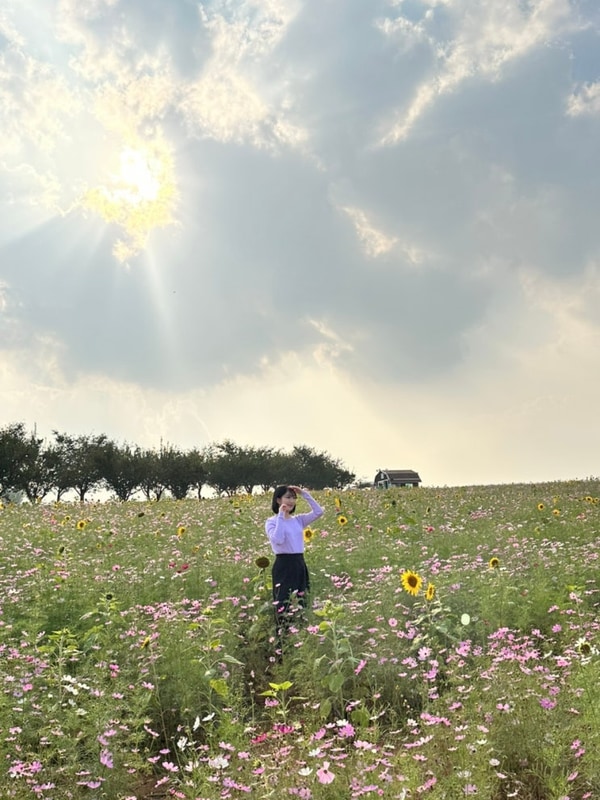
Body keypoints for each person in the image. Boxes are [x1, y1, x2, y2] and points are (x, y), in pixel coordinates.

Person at [265, 485, 324, 644]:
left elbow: (319, 512)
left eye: (293, 497)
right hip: (283, 564)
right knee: (283, 603)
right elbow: (278, 539)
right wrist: (281, 516)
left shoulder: (298, 520)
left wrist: (304, 494)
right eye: (287, 497)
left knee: (302, 600)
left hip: (299, 562)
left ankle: (301, 636)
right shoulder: (271, 522)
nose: (291, 501)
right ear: (278, 500)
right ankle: (282, 641)